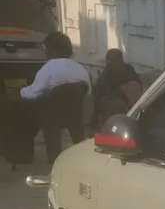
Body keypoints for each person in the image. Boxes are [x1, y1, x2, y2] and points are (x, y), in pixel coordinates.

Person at [18, 31, 91, 164]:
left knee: (20, 113)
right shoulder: (81, 68)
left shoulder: (49, 68)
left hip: (50, 118)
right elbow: (88, 92)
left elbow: (33, 93)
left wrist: (21, 90)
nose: (44, 52)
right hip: (75, 116)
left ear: (52, 49)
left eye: (45, 48)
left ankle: (23, 156)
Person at [93, 48, 142, 128]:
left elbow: (99, 92)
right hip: (134, 108)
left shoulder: (108, 72)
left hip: (116, 111)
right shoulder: (129, 68)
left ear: (108, 60)